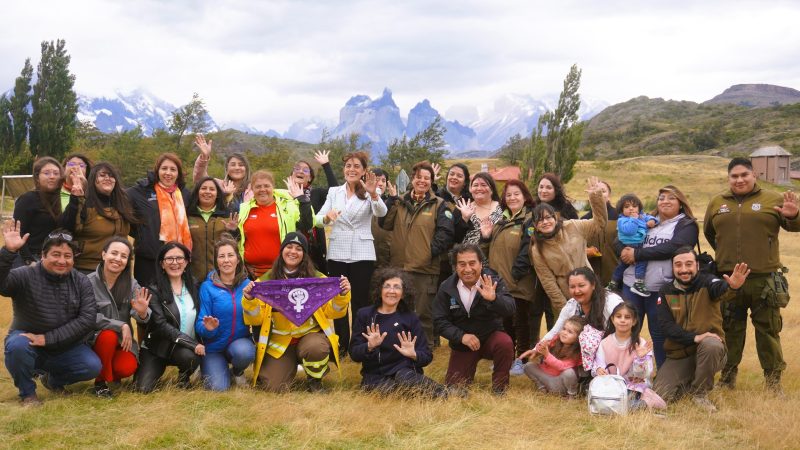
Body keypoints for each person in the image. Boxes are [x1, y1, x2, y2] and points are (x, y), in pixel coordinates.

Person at [704, 157, 800, 392]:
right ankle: (727, 380)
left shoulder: (771, 199)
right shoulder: (717, 202)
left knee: (768, 331)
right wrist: (725, 256)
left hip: (763, 280)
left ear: (753, 175)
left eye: (744, 175)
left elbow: (794, 227)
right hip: (729, 280)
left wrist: (793, 215)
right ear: (729, 179)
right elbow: (709, 233)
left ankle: (773, 383)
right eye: (734, 176)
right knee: (729, 330)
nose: (739, 180)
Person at [1, 222, 101, 405]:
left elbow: (87, 319)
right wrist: (8, 252)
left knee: (92, 366)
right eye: (56, 254)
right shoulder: (25, 275)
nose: (62, 261)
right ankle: (28, 393)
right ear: (43, 255)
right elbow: (2, 285)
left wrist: (46, 339)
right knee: (16, 346)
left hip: (63, 346)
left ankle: (53, 380)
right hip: (28, 342)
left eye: (67, 256)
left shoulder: (81, 282)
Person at [242, 232, 351, 392]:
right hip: (281, 343)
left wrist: (342, 295)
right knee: (273, 387)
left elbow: (334, 313)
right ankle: (288, 366)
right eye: (289, 247)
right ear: (281, 251)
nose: (293, 251)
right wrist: (249, 300)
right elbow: (255, 320)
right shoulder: (265, 282)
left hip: (310, 338)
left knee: (316, 348)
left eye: (299, 249)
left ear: (304, 255)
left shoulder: (318, 279)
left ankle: (315, 380)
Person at [653, 247, 750, 412]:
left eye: (689, 264)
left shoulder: (707, 282)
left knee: (710, 345)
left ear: (697, 265)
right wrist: (694, 338)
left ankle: (700, 394)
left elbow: (720, 288)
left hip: (710, 350)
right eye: (678, 265)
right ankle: (689, 382)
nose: (684, 269)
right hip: (680, 354)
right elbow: (666, 327)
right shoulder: (666, 291)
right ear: (673, 267)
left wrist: (731, 287)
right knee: (659, 396)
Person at [617, 185, 698, 368]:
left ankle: (663, 373)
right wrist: (622, 251)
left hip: (662, 287)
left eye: (671, 198)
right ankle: (622, 373)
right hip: (632, 285)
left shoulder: (686, 224)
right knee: (625, 330)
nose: (665, 201)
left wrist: (637, 255)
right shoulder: (647, 220)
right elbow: (619, 237)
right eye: (661, 197)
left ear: (681, 203)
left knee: (660, 332)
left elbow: (674, 248)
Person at [316, 151, 386, 355]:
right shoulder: (334, 192)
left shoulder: (371, 191)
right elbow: (317, 219)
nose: (352, 169)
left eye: (356, 166)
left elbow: (382, 212)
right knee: (339, 301)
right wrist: (327, 218)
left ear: (364, 170)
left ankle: (358, 343)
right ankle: (341, 344)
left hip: (362, 253)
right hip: (337, 252)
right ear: (343, 169)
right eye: (348, 166)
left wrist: (373, 193)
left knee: (360, 301)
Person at [382, 161, 454, 346]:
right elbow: (385, 224)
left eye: (426, 178)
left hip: (425, 268)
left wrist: (429, 253)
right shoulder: (400, 201)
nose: (422, 181)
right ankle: (396, 345)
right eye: (419, 177)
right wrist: (391, 200)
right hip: (399, 267)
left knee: (424, 312)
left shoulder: (439, 205)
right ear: (412, 179)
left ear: (432, 181)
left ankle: (426, 347)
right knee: (398, 309)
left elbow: (446, 234)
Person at [349, 268, 447, 397]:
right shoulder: (365, 315)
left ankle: (444, 393)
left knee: (405, 379)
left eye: (397, 287)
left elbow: (427, 356)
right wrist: (369, 346)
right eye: (387, 286)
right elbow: (354, 354)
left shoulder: (410, 318)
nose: (391, 291)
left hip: (405, 372)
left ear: (403, 293)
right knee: (387, 390)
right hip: (375, 375)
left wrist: (413, 354)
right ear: (379, 290)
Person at [432, 244, 515, 394]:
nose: (468, 269)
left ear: (481, 264)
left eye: (472, 263)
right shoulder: (446, 287)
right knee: (455, 391)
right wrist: (461, 336)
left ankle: (500, 389)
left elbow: (510, 308)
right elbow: (439, 321)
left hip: (491, 337)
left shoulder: (493, 281)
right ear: (455, 267)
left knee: (505, 343)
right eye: (462, 264)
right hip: (464, 343)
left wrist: (494, 299)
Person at [479, 179, 537, 374]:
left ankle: (522, 361)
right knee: (504, 323)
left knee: (521, 323)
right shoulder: (500, 221)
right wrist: (485, 237)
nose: (512, 198)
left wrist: (515, 275)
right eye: (509, 194)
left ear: (525, 197)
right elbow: (488, 252)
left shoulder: (529, 219)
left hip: (519, 282)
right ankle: (507, 359)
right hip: (500, 282)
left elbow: (527, 251)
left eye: (516, 194)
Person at [530, 177, 608, 313]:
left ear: (555, 218)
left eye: (548, 217)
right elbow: (548, 282)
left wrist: (595, 197)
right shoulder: (537, 249)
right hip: (568, 297)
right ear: (535, 226)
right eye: (540, 220)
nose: (545, 222)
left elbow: (599, 224)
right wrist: (566, 308)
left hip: (592, 289)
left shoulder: (573, 226)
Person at [134, 242, 204, 393]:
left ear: (186, 262)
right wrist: (193, 345)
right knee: (142, 389)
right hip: (157, 347)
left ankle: (184, 377)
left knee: (190, 358)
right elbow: (161, 325)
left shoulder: (196, 286)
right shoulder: (153, 289)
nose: (175, 263)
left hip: (183, 349)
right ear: (162, 264)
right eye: (169, 259)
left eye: (179, 258)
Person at [87, 237, 151, 397]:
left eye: (123, 256)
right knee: (108, 336)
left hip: (122, 342)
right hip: (94, 340)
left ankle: (110, 372)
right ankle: (100, 383)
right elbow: (88, 316)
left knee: (126, 368)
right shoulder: (87, 282)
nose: (118, 259)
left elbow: (141, 315)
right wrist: (120, 325)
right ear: (103, 254)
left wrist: (143, 312)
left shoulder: (131, 284)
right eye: (114, 253)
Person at [521, 267, 623, 365]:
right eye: (572, 287)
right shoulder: (571, 305)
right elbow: (556, 330)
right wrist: (536, 349)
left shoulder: (611, 302)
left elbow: (625, 330)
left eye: (581, 286)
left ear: (593, 285)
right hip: (582, 355)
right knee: (560, 337)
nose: (576, 291)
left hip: (612, 352)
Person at [195, 239, 255, 391]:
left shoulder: (247, 285)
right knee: (218, 388)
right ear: (216, 261)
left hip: (239, 344)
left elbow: (256, 317)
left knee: (245, 352)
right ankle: (209, 368)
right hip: (214, 348)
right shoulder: (207, 287)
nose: (226, 260)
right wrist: (208, 328)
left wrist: (250, 302)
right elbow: (200, 324)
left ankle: (237, 371)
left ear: (238, 258)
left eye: (230, 255)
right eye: (221, 256)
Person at [127, 153, 193, 287]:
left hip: (177, 261)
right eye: (164, 168)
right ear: (157, 170)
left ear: (178, 174)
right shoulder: (142, 191)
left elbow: (207, 201)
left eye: (173, 169)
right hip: (148, 262)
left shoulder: (185, 194)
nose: (168, 173)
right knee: (148, 303)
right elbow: (119, 199)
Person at [60, 162, 138, 273]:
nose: (107, 178)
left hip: (118, 269)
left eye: (111, 175)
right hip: (87, 269)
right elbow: (67, 228)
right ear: (93, 180)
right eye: (102, 175)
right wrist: (75, 199)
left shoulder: (122, 205)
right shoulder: (85, 204)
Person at [237, 170, 312, 278]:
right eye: (258, 187)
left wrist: (302, 200)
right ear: (252, 189)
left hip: (281, 271)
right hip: (250, 272)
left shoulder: (288, 206)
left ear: (273, 187)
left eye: (266, 186)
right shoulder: (244, 208)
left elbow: (307, 224)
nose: (262, 189)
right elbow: (240, 238)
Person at [592, 302, 665, 411]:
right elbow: (599, 363)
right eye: (618, 316)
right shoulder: (605, 343)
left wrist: (641, 359)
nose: (622, 320)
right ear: (612, 319)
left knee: (622, 400)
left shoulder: (641, 344)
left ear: (634, 321)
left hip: (632, 386)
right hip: (611, 385)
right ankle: (631, 405)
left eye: (627, 317)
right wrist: (598, 369)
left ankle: (644, 402)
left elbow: (646, 374)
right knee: (603, 397)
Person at [290, 151, 340, 273]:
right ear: (291, 175)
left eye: (305, 170)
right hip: (290, 248)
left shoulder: (316, 194)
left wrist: (326, 165)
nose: (300, 171)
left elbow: (336, 191)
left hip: (314, 249)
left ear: (310, 178)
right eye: (297, 168)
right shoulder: (282, 196)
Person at [13, 157, 63, 268]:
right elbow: (18, 232)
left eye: (56, 173)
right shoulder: (27, 199)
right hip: (30, 258)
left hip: (55, 259)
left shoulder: (63, 199)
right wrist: (28, 260)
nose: (52, 177)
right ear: (37, 177)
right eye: (46, 173)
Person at [187, 176, 239, 281]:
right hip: (193, 277)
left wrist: (234, 231)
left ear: (217, 194)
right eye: (203, 188)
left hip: (220, 277)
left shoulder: (226, 215)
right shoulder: (187, 215)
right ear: (197, 191)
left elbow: (236, 244)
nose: (207, 192)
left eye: (212, 189)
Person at [607, 194, 658, 296]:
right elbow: (630, 231)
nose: (631, 209)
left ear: (639, 208)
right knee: (641, 261)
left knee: (623, 265)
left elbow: (651, 218)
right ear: (621, 210)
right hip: (629, 245)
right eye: (627, 207)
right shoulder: (622, 220)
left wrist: (652, 220)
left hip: (638, 244)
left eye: (634, 206)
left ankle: (613, 283)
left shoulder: (642, 217)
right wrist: (634, 219)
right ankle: (638, 283)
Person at [522, 316, 584, 397]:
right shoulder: (556, 339)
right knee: (528, 366)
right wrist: (540, 347)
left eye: (570, 332)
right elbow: (543, 346)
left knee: (569, 373)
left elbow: (561, 366)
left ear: (578, 337)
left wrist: (547, 354)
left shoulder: (577, 353)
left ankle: (571, 395)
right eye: (564, 329)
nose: (564, 333)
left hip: (559, 384)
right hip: (546, 377)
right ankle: (542, 388)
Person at [192, 134, 252, 212]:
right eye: (233, 165)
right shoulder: (218, 185)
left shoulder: (254, 189)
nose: (237, 168)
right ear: (227, 168)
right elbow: (199, 179)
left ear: (246, 169)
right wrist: (204, 157)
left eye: (241, 165)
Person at [582, 180, 619, 286]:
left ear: (609, 196)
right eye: (595, 191)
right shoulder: (583, 220)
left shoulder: (620, 217)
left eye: (602, 191)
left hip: (616, 276)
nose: (598, 194)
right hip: (591, 277)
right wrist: (585, 251)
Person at [455, 172, 503, 245]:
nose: (479, 188)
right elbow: (455, 237)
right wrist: (464, 219)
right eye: (475, 185)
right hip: (467, 254)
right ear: (471, 189)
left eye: (484, 185)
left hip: (495, 254)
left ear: (492, 189)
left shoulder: (502, 208)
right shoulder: (462, 208)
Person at [370, 168, 393, 269]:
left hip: (386, 258)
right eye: (377, 180)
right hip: (366, 256)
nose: (380, 184)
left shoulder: (391, 203)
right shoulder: (362, 201)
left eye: (383, 181)